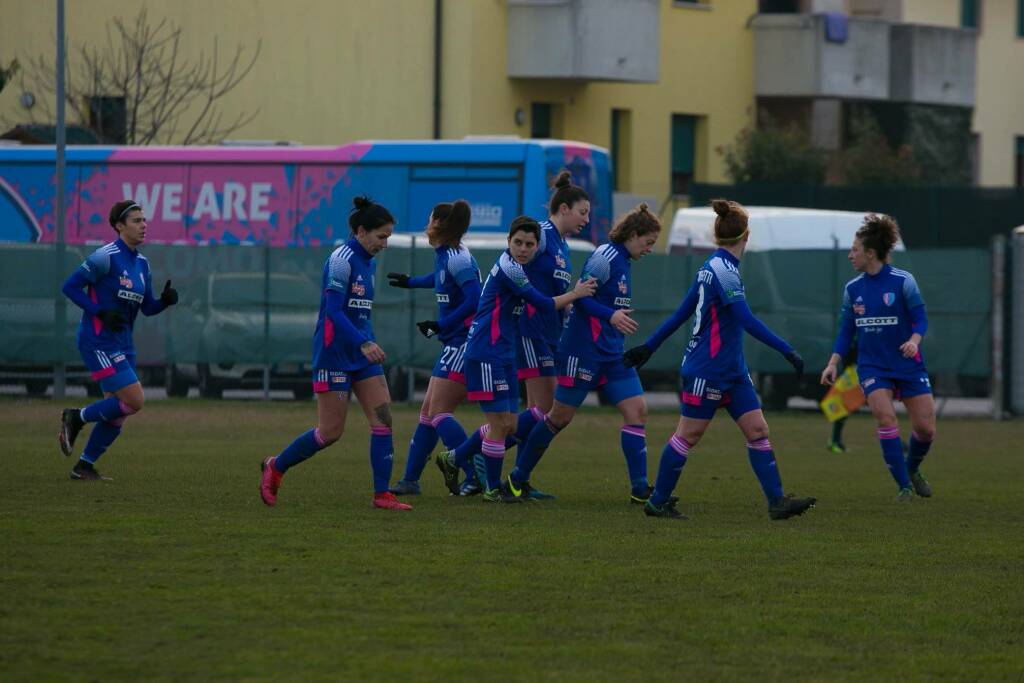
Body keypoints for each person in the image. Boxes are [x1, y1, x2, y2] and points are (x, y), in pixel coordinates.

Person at [622, 199, 816, 521]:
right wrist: (786, 349)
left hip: (732, 370)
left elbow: (681, 314)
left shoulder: (712, 268)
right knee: (688, 435)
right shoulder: (723, 272)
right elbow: (746, 320)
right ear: (746, 236)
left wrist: (649, 346)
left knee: (757, 430)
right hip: (707, 369)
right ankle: (657, 502)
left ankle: (777, 501)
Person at [259, 196, 410, 511]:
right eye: (381, 236)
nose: (385, 243)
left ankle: (382, 494)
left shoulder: (369, 262)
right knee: (330, 432)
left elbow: (358, 313)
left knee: (383, 419)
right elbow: (334, 313)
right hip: (334, 354)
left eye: (389, 237)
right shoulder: (341, 260)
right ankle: (277, 466)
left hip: (362, 354)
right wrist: (363, 343)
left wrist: (366, 342)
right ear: (361, 231)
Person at [434, 216, 596, 502]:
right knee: (501, 424)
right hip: (487, 350)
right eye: (518, 242)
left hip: (506, 351)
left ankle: (455, 457)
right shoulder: (511, 268)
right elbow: (544, 305)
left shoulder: (521, 267)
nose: (523, 248)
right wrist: (576, 294)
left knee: (508, 423)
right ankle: (492, 489)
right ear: (508, 242)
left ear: (536, 248)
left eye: (529, 244)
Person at [507, 203, 661, 503]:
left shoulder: (624, 261)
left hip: (613, 353)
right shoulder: (604, 257)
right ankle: (517, 478)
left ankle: (640, 490)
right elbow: (581, 300)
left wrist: (614, 318)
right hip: (583, 351)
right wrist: (611, 316)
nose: (650, 249)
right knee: (559, 417)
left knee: (637, 411)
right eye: (648, 243)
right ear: (633, 234)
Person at [58, 199, 178, 480]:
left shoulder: (142, 264)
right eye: (136, 220)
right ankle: (76, 417)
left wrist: (164, 302)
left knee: (118, 413)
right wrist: (99, 311)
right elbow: (70, 287)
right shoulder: (106, 256)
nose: (143, 225)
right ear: (119, 226)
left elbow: (147, 308)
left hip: (123, 344)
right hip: (98, 341)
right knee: (135, 400)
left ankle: (84, 466)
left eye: (144, 220)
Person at [820, 214, 935, 501]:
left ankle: (911, 469)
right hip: (873, 366)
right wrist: (833, 362)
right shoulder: (852, 289)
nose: (850, 255)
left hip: (907, 363)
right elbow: (845, 332)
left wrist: (913, 340)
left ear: (870, 253)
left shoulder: (903, 281)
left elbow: (921, 319)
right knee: (886, 420)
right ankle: (903, 487)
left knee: (926, 429)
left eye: (854, 250)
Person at [385, 200, 483, 496]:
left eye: (430, 219)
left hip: (463, 342)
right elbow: (441, 280)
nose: (427, 224)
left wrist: (442, 325)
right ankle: (410, 480)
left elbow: (475, 299)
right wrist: (411, 282)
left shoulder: (457, 257)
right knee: (429, 413)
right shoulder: (446, 255)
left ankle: (473, 473)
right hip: (454, 342)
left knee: (439, 412)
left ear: (439, 224)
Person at [517, 170, 590, 413]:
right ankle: (472, 450)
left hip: (550, 333)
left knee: (535, 411)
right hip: (531, 331)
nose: (587, 220)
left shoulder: (563, 245)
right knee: (546, 410)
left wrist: (577, 304)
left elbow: (552, 293)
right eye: (583, 213)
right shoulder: (542, 234)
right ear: (564, 209)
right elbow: (509, 268)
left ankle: (487, 449)